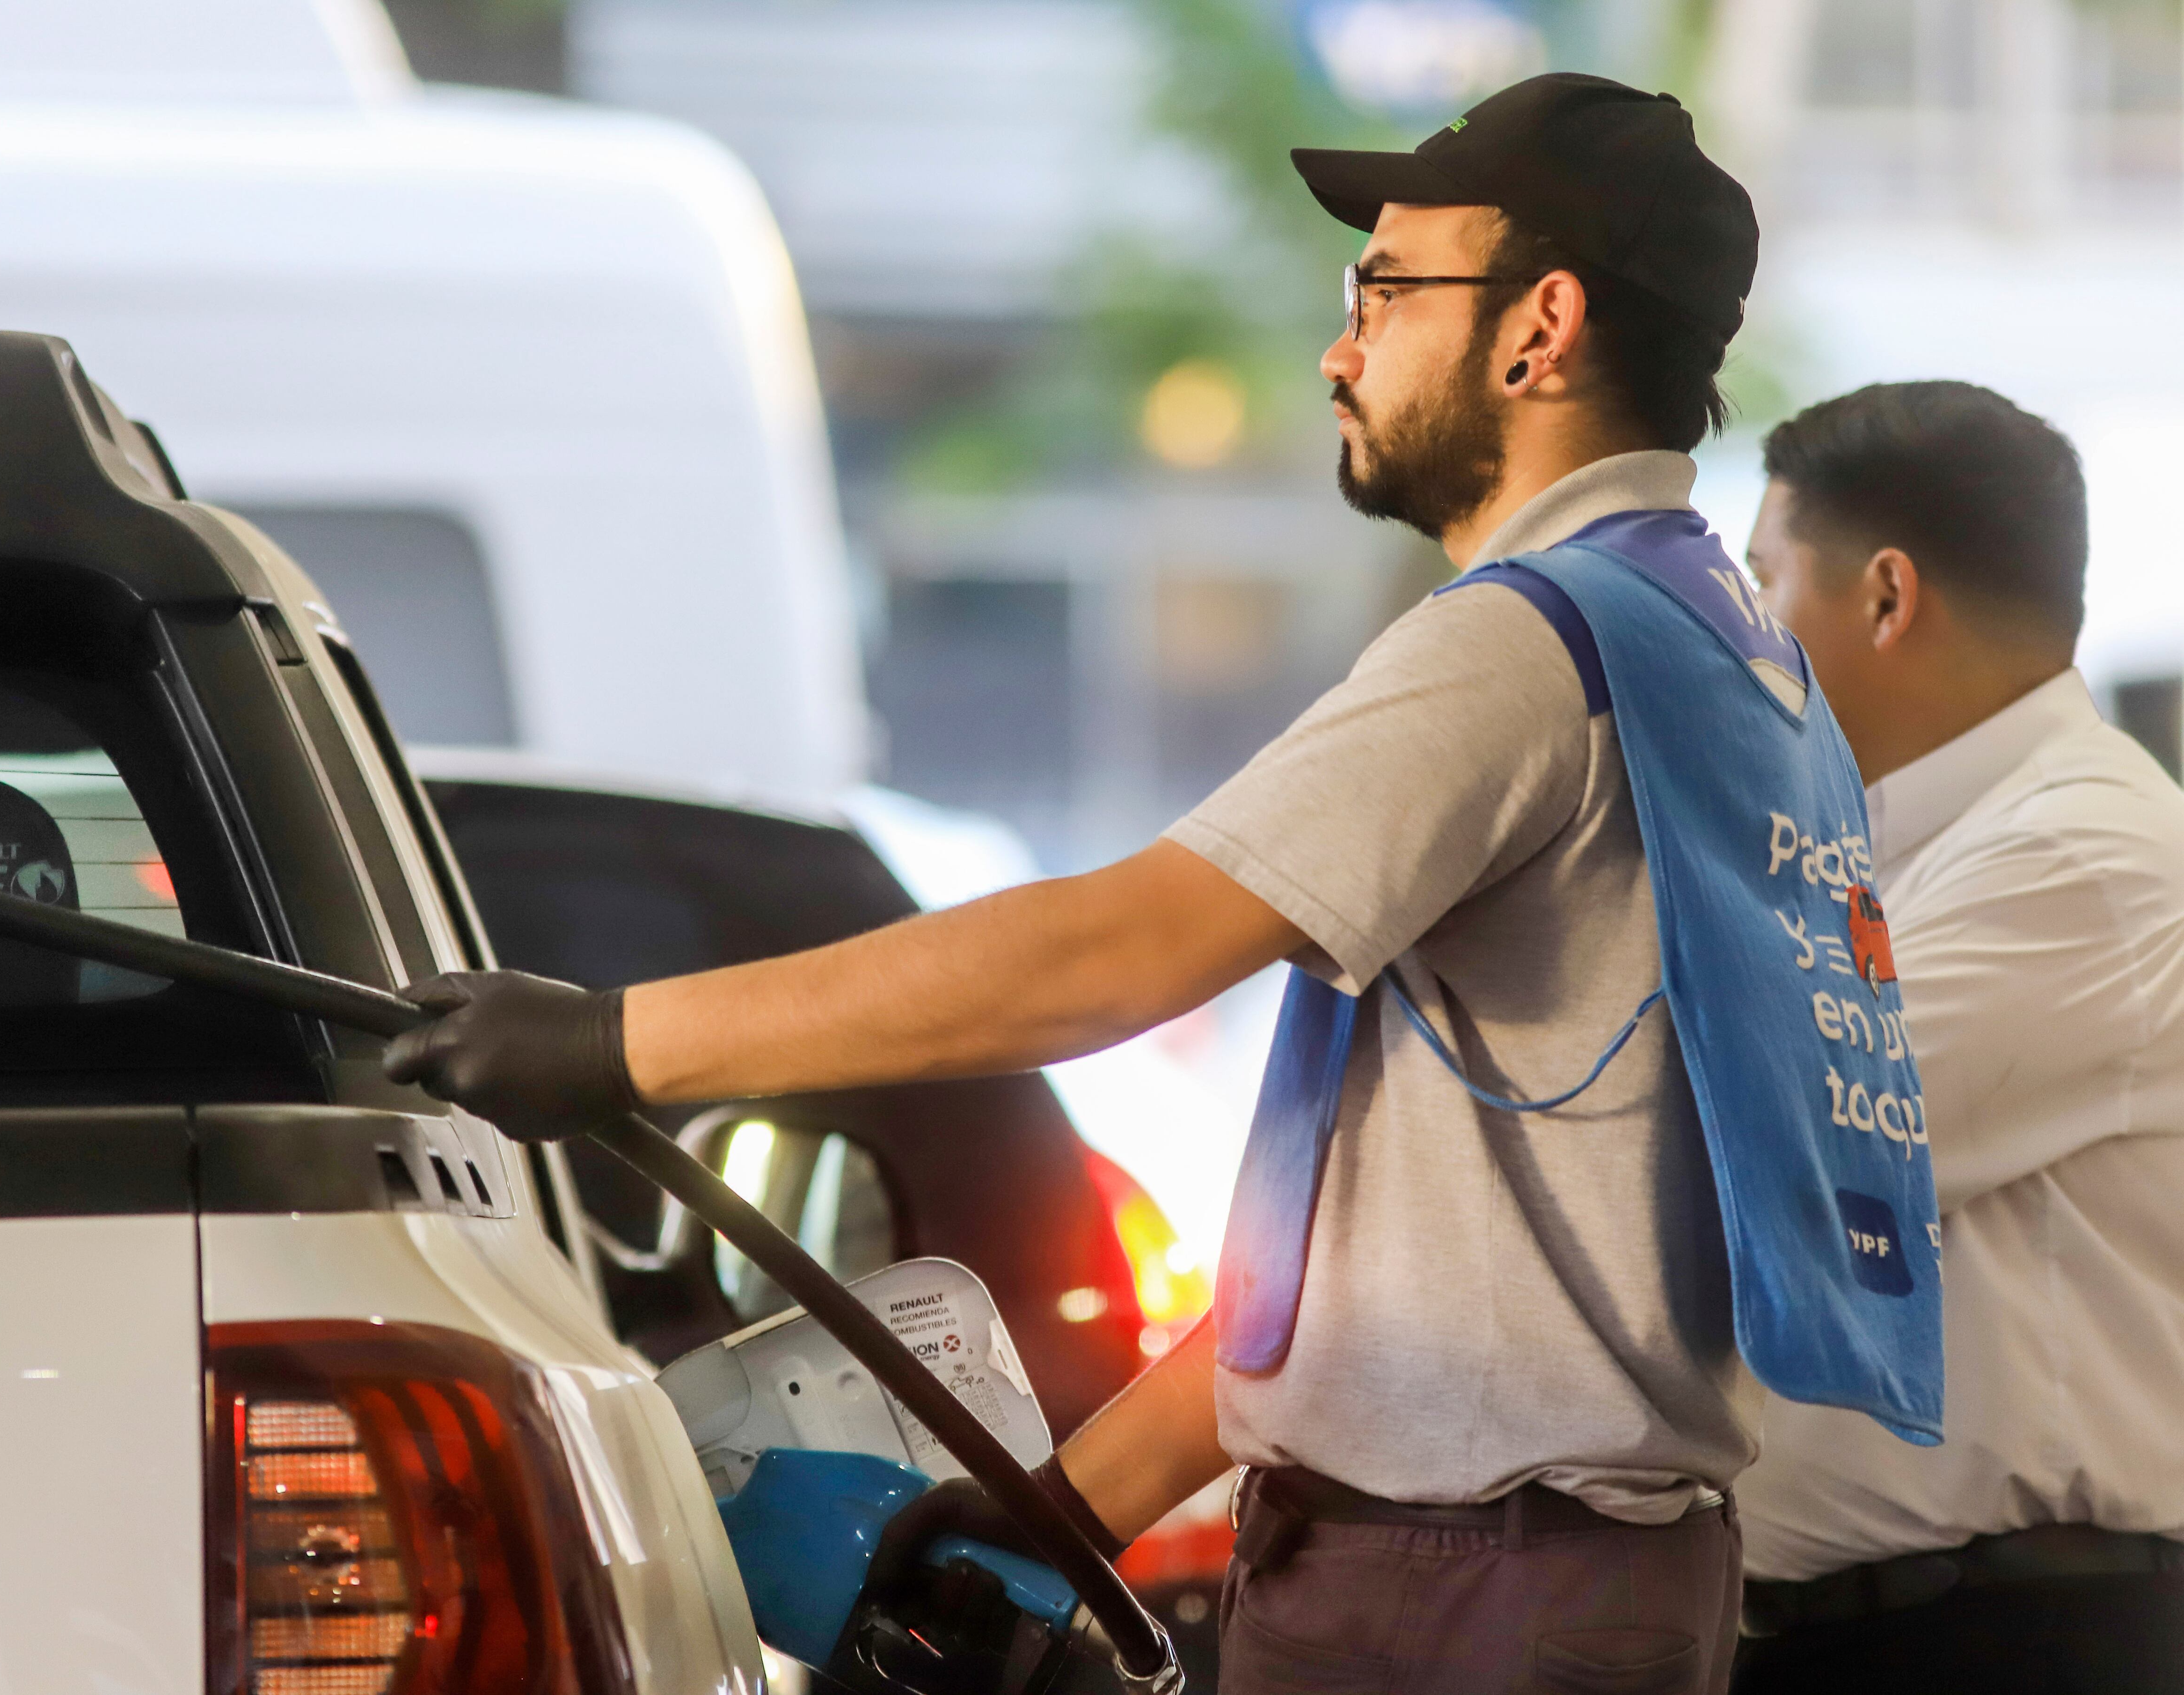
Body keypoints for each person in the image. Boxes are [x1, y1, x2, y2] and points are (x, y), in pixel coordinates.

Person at [381, 74, 1916, 1694]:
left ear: (1540, 328)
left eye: (1386, 292)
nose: (1342, 349)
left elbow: (1112, 952)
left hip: (1458, 1600)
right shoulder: (1742, 670)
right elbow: (1427, 1243)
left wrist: (617, 1044)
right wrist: (1071, 1509)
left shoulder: (1529, 649)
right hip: (1594, 1582)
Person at [1732, 382, 2184, 1693]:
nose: (1748, 641)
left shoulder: (2080, 857)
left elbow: (1783, 1146)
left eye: (1767, 580)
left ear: (1885, 597)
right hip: (1899, 1626)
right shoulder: (1913, 845)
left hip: (2003, 1637)